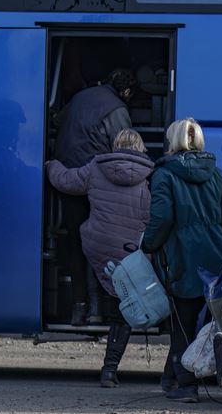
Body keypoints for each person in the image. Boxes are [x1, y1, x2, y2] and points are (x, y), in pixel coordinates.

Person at [46, 129, 153, 388]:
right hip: (129, 250)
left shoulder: (96, 167)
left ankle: (92, 307)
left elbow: (66, 181)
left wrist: (52, 164)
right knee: (121, 305)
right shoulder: (147, 176)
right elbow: (149, 216)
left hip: (98, 244)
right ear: (140, 147)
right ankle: (109, 369)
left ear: (115, 145)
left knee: (93, 259)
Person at [142, 118, 222, 403]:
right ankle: (177, 377)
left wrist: (147, 245)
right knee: (211, 322)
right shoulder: (216, 175)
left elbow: (162, 217)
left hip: (182, 256)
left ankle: (186, 386)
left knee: (182, 322)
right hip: (217, 256)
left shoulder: (164, 174)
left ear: (173, 141)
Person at [53, 68, 136, 326]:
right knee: (100, 248)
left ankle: (79, 308)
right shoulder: (117, 110)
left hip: (69, 182)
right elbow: (124, 149)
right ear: (127, 91)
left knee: (77, 245)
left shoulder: (80, 97)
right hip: (97, 188)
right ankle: (99, 308)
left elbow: (57, 122)